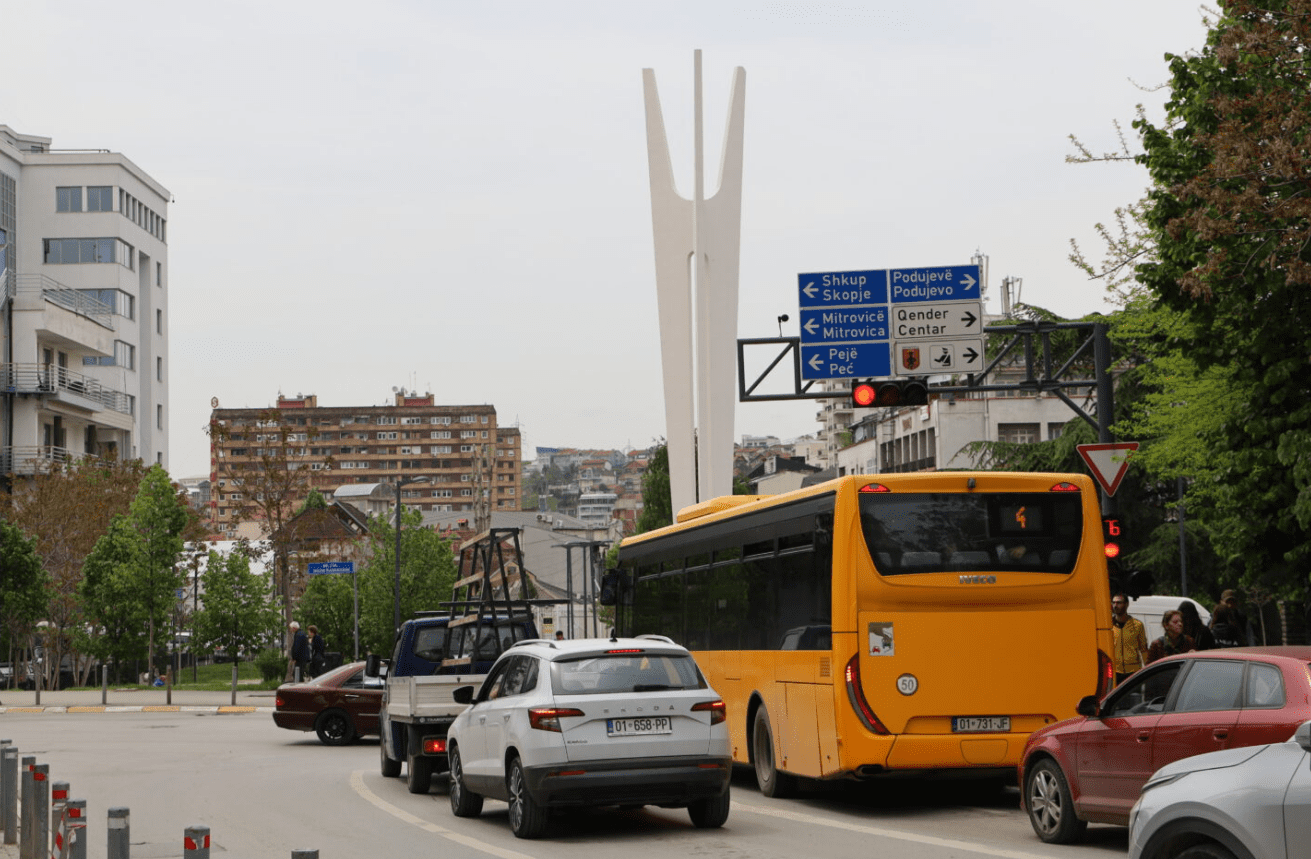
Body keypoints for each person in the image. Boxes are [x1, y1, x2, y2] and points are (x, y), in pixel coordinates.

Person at [1111, 593, 1149, 685]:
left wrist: (1148, 668)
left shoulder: (1137, 625)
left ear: (1126, 604)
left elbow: (1143, 649)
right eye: (1114, 602)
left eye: (1119, 603)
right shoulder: (1108, 626)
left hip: (1133, 672)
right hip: (1115, 672)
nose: (1115, 605)